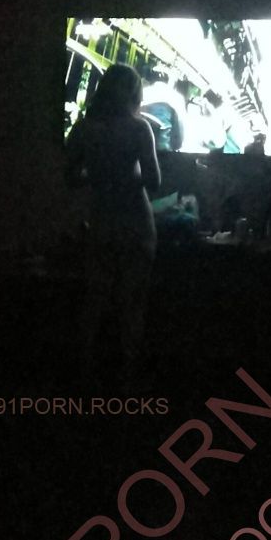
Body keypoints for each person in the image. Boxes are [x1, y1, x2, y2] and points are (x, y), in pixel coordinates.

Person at [65, 63, 161, 386]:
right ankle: (127, 380)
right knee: (132, 307)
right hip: (137, 225)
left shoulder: (84, 129)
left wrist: (98, 177)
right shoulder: (139, 129)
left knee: (93, 302)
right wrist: (125, 178)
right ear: (134, 94)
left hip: (102, 224)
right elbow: (154, 181)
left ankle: (84, 374)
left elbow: (70, 178)